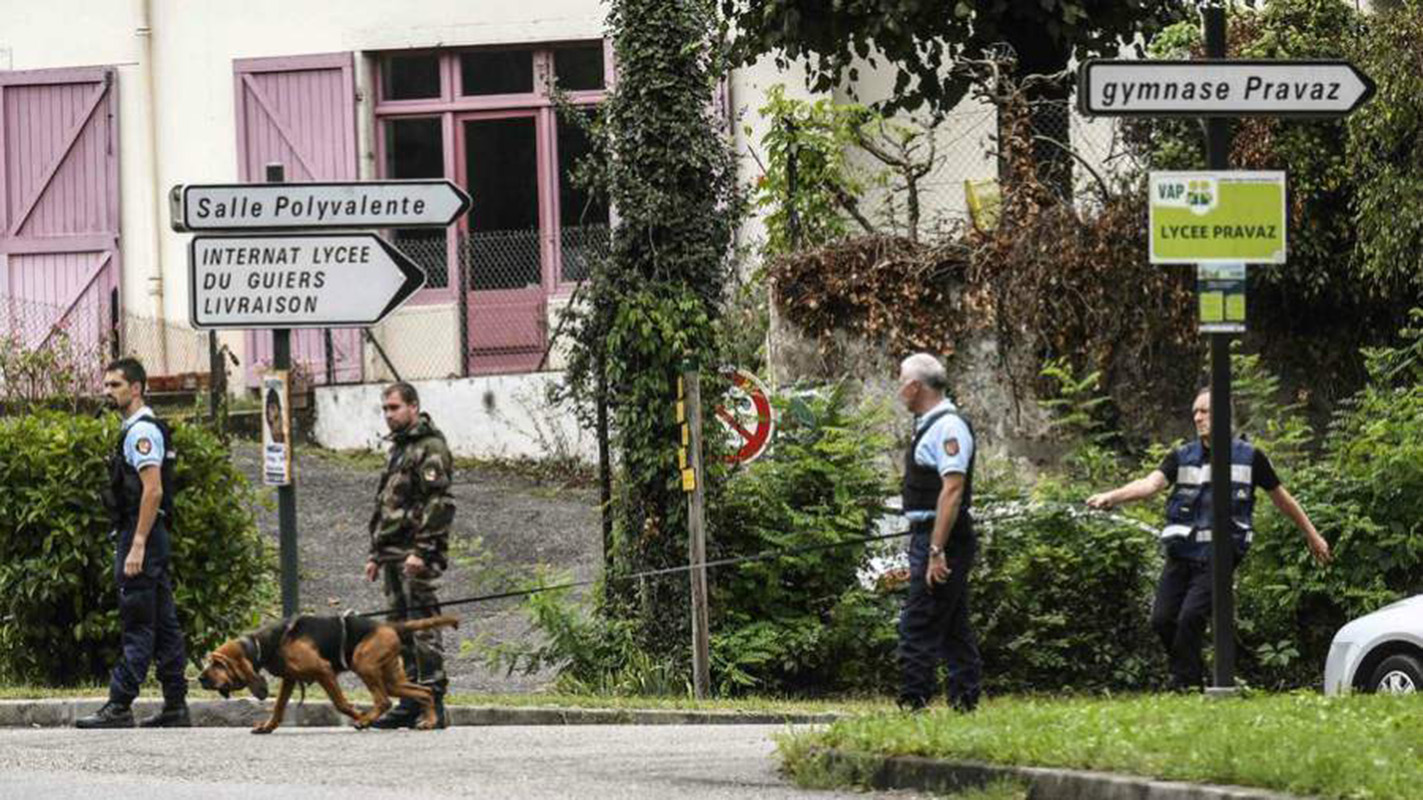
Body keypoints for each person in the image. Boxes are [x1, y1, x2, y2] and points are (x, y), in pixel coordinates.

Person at [1086, 387, 1332, 692]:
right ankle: (1193, 676)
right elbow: (1150, 484)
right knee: (1162, 620)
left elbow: (1283, 500)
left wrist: (1313, 535)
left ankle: (1185, 685)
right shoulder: (1181, 456)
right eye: (1195, 413)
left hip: (1220, 554)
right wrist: (1112, 496)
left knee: (1190, 618)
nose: (1198, 417)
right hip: (1182, 553)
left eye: (1204, 411)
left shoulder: (1250, 457)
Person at [77, 357, 191, 729]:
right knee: (166, 623)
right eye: (106, 385)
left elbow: (152, 490)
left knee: (137, 620)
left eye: (115, 385)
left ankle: (120, 704)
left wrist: (138, 543)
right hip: (147, 534)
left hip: (140, 533)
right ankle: (176, 705)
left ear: (136, 388)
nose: (108, 392)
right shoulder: (138, 428)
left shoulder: (142, 432)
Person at [363, 382, 456, 729]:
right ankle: (410, 698)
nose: (389, 415)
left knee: (423, 628)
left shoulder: (429, 447)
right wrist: (376, 553)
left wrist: (422, 550)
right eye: (385, 409)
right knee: (398, 630)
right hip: (392, 554)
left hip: (416, 555)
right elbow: (387, 503)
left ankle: (433, 700)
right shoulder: (399, 449)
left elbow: (440, 503)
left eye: (395, 407)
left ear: (413, 407)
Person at [895, 352, 982, 713]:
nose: (899, 389)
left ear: (915, 386)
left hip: (942, 539)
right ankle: (965, 702)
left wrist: (935, 550)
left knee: (918, 622)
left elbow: (952, 489)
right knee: (952, 627)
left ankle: (913, 704)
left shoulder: (948, 426)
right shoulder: (930, 424)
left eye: (901, 381)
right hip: (931, 534)